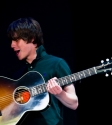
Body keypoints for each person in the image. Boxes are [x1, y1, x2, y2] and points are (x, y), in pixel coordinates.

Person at [5, 17, 78, 125]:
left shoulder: (56, 64)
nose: (12, 45)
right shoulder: (18, 76)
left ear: (32, 38)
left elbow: (74, 104)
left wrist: (59, 93)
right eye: (11, 41)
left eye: (16, 40)